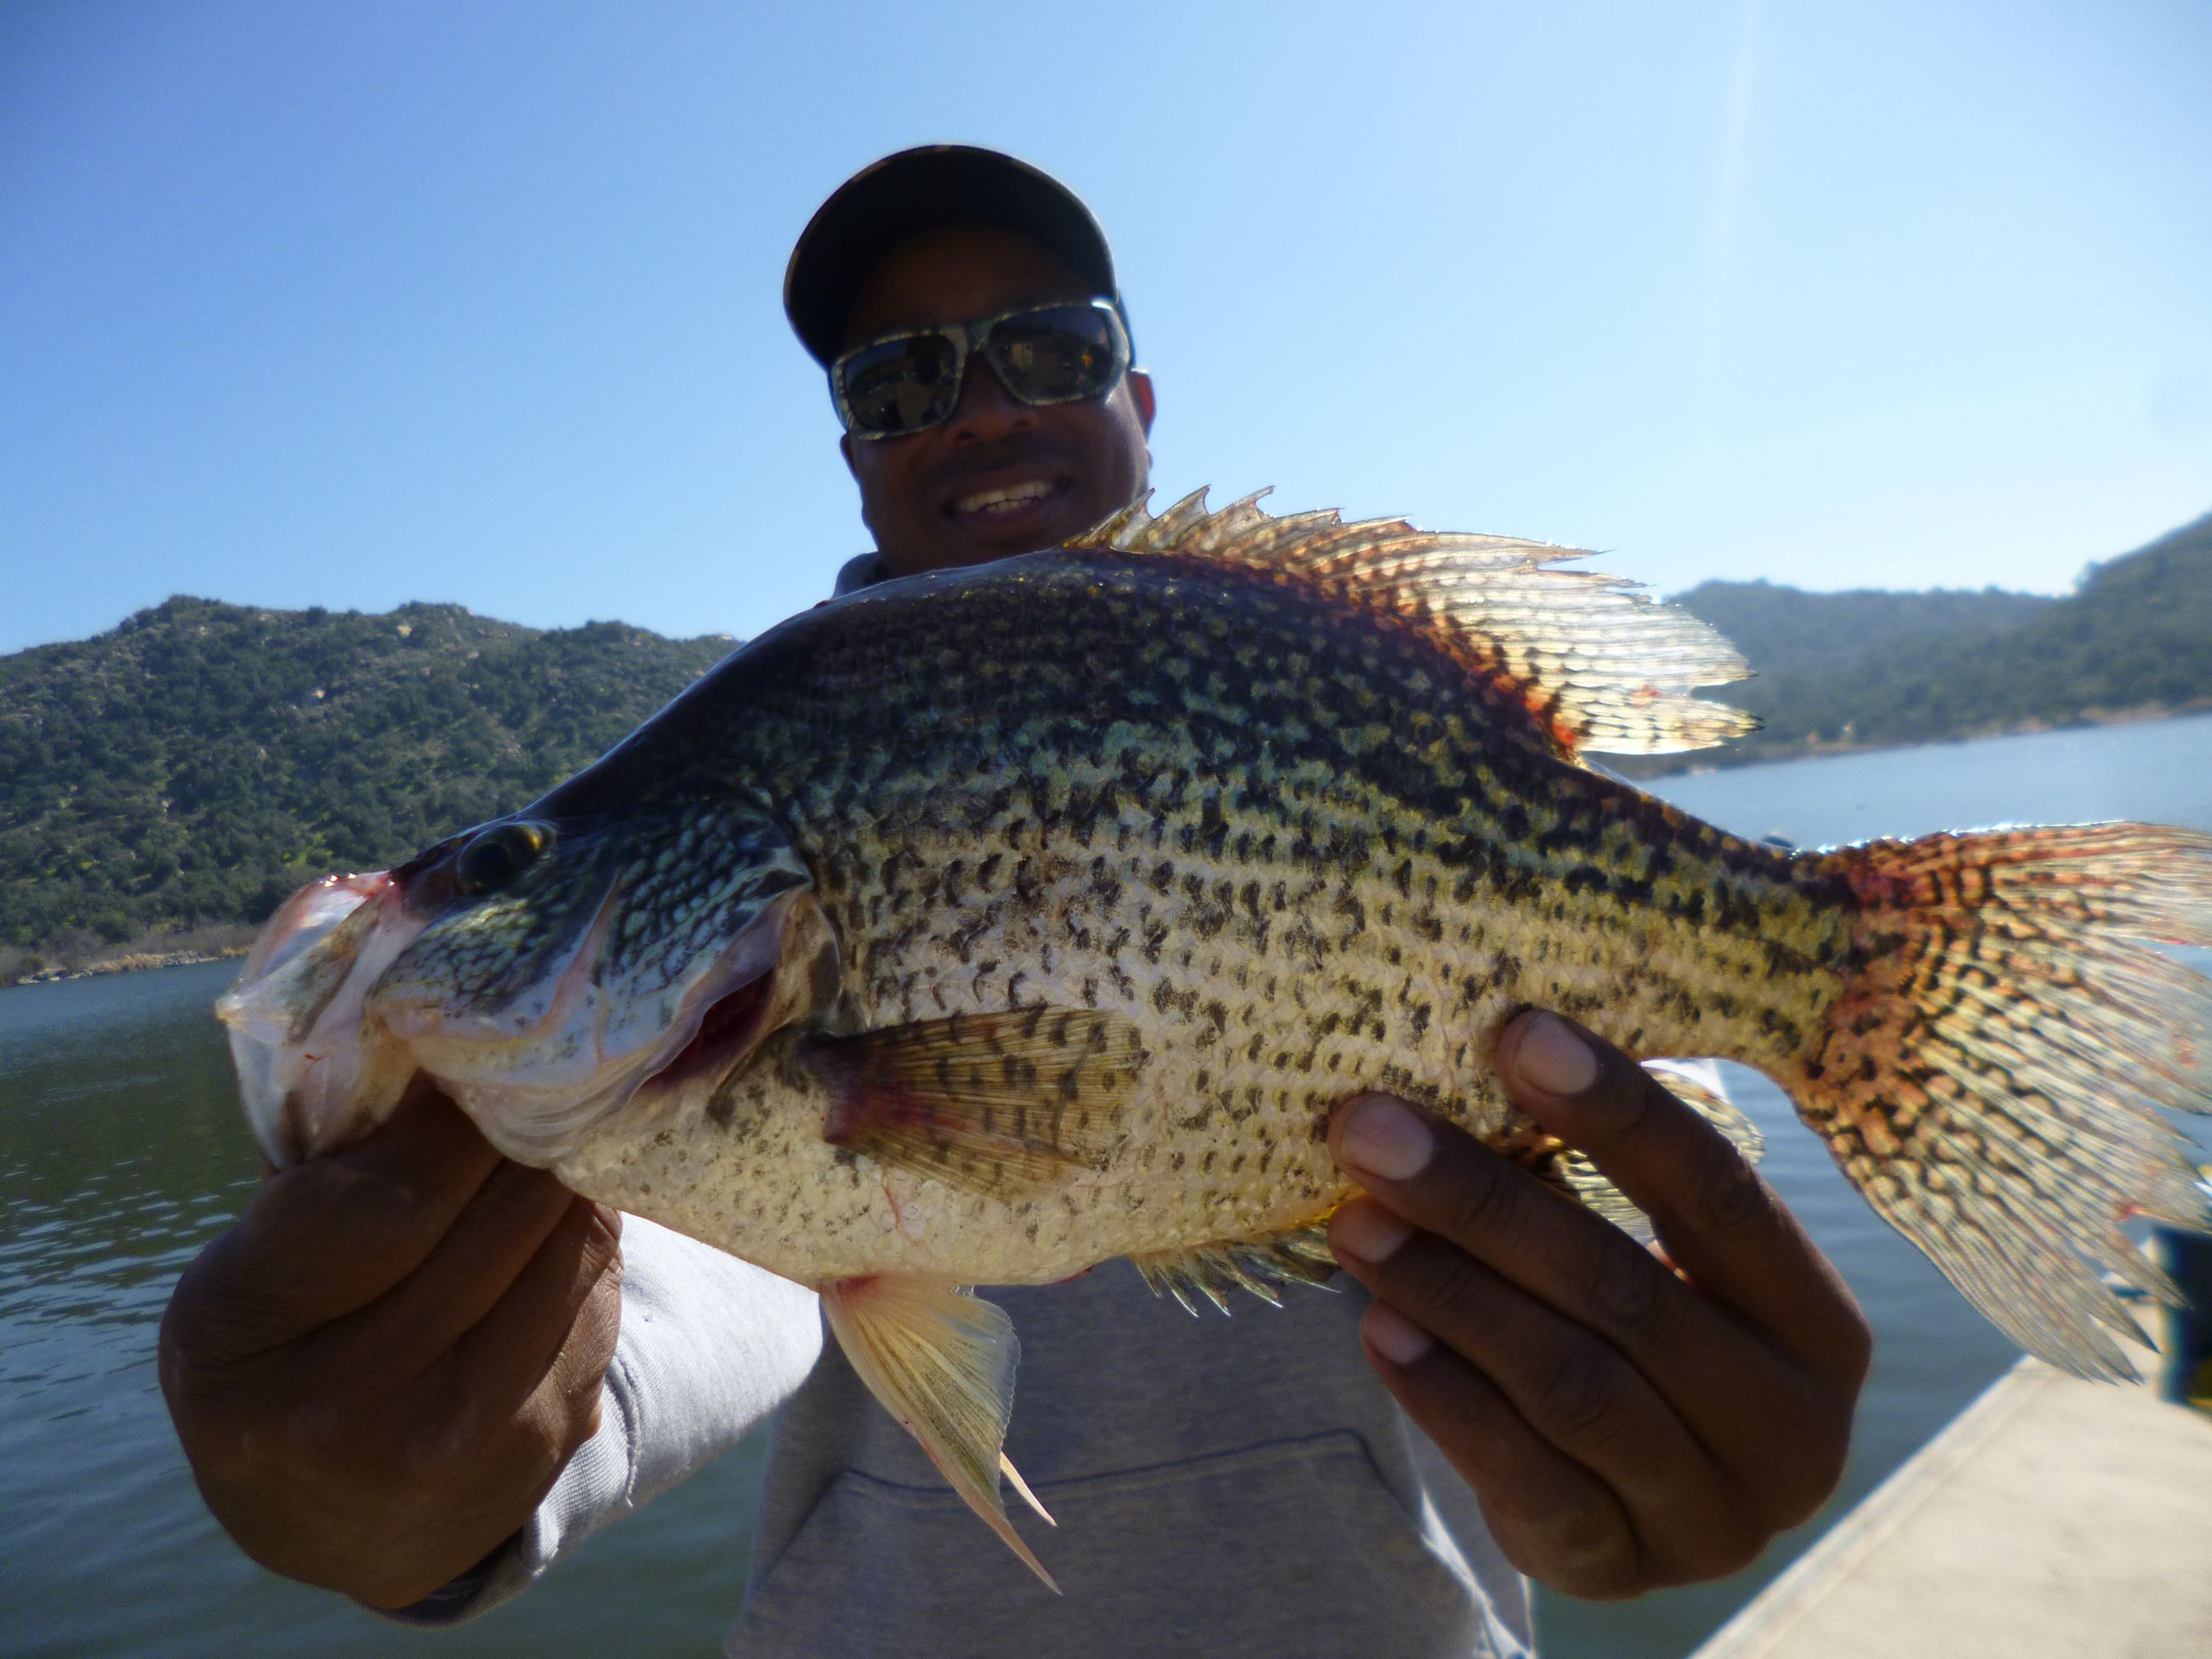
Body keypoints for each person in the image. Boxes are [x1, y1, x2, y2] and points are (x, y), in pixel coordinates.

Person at [159, 147, 1870, 1656]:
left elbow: (1600, 1271)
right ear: (853, 449)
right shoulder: (735, 883)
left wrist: (1673, 1435)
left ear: (1140, 398)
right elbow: (670, 1317)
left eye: (1049, 350)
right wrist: (421, 1481)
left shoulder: (1247, 679)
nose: (979, 408)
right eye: (902, 379)